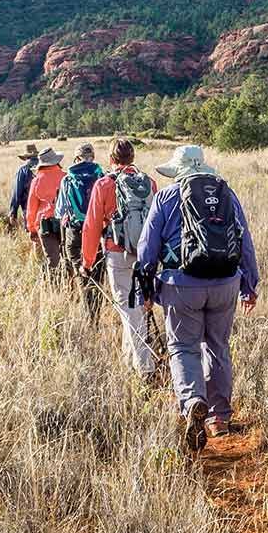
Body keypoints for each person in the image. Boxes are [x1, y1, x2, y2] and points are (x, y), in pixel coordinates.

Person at [136, 144, 259, 448]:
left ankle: (192, 401)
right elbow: (244, 241)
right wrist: (250, 284)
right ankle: (219, 418)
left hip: (180, 283)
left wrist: (146, 287)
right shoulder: (226, 194)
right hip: (226, 282)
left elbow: (147, 246)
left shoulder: (166, 196)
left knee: (183, 347)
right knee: (218, 346)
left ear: (179, 170)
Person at [83, 138, 158, 376]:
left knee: (128, 310)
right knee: (136, 309)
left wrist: (87, 261)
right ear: (132, 157)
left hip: (117, 254)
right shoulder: (150, 183)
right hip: (146, 255)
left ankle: (146, 368)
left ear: (111, 159)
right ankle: (130, 364)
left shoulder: (104, 184)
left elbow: (92, 225)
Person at [55, 143, 105, 309]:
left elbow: (60, 211)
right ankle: (95, 309)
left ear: (76, 158)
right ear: (93, 157)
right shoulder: (102, 176)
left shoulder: (67, 179)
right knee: (97, 273)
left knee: (81, 272)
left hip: (74, 231)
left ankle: (87, 309)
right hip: (97, 231)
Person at [23, 147, 67, 273]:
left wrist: (31, 228)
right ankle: (69, 286)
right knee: (67, 258)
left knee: (53, 261)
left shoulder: (36, 181)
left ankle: (52, 286)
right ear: (56, 161)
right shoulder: (65, 177)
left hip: (45, 225)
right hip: (64, 224)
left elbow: (31, 208)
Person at [6, 143, 39, 229]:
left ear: (26, 157)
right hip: (47, 209)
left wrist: (13, 212)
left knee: (32, 234)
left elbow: (17, 192)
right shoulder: (45, 166)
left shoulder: (23, 170)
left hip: (28, 208)